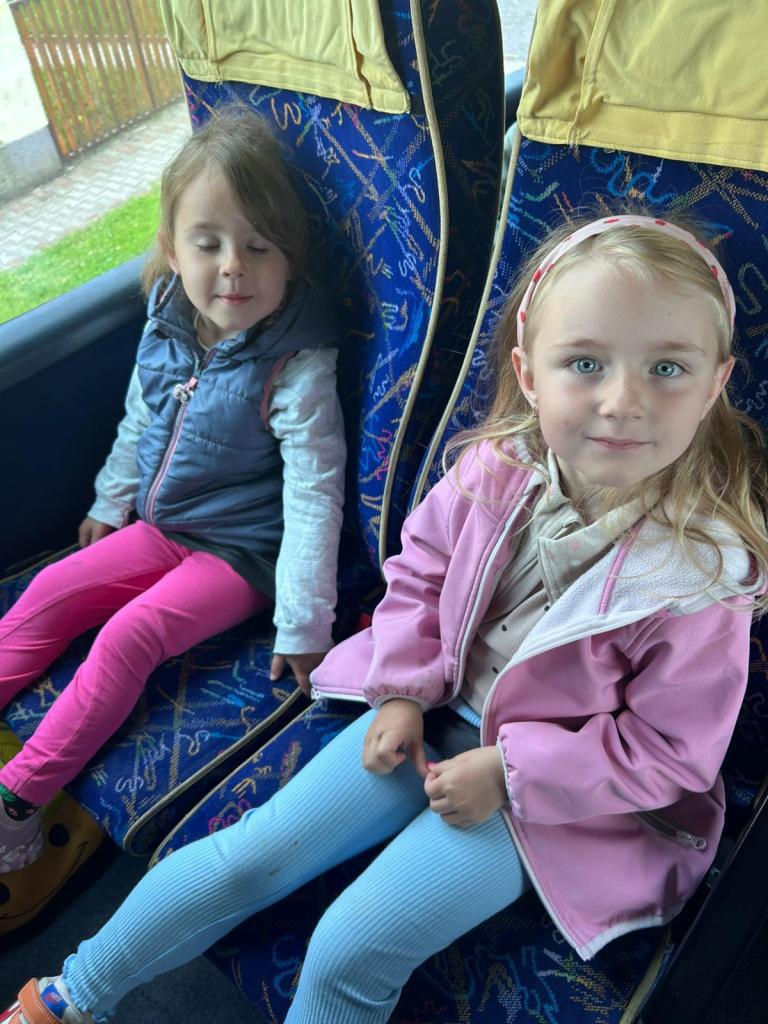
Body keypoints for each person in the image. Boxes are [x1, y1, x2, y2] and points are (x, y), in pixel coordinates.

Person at [5, 212, 768, 1024]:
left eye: (666, 368)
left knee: (352, 945)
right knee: (249, 856)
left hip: (561, 799)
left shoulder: (700, 577)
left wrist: (509, 773)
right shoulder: (493, 469)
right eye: (585, 363)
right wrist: (402, 691)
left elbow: (669, 753)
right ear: (528, 373)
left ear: (714, 384)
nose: (622, 402)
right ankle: (68, 997)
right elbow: (419, 580)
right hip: (434, 710)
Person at [0, 106, 346, 875]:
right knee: (51, 589)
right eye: (208, 243)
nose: (233, 267)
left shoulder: (297, 361)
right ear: (171, 248)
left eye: (259, 247)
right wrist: (109, 499)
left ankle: (17, 803)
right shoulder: (170, 317)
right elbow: (143, 413)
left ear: (291, 260)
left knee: (131, 636)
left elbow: (314, 493)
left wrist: (303, 622)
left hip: (242, 555)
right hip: (164, 525)